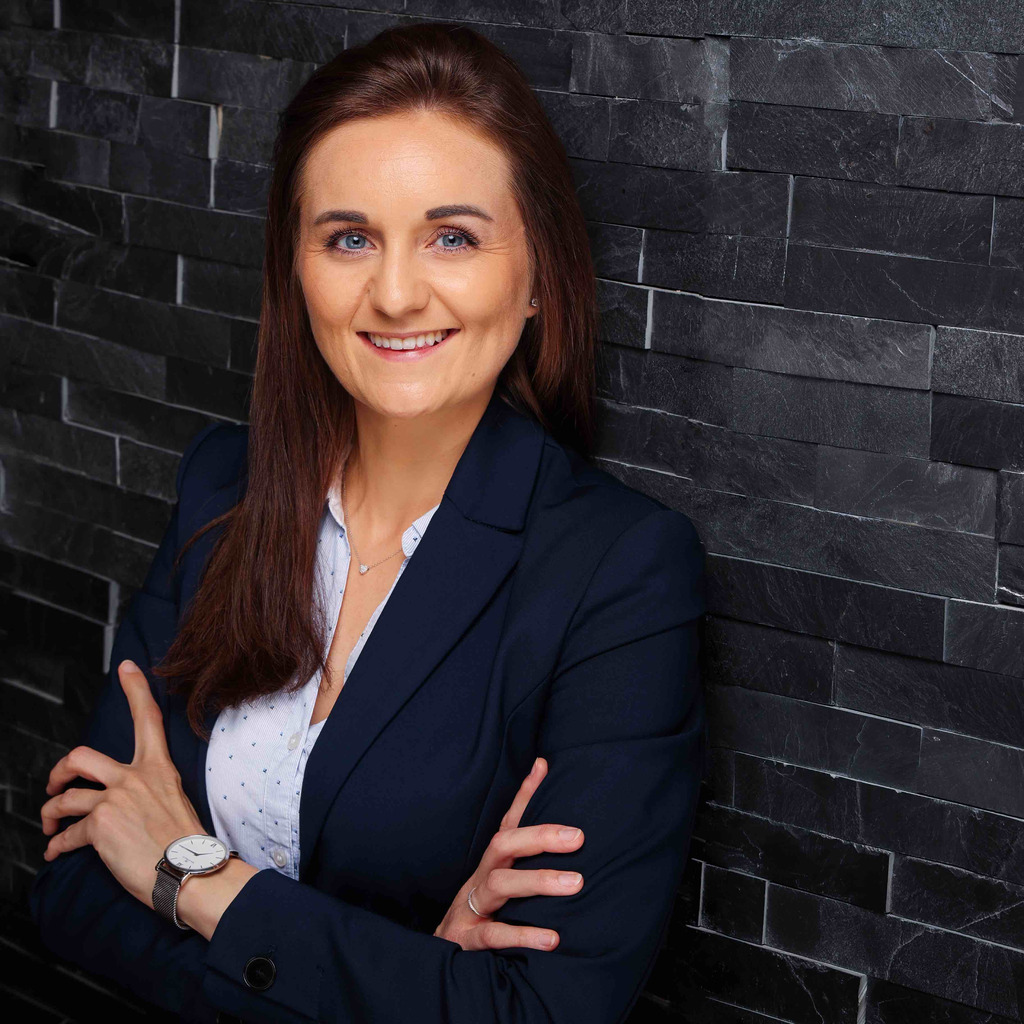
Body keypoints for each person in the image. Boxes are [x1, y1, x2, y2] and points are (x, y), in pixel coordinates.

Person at [29, 22, 709, 1024]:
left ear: (536, 277)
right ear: (295, 270)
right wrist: (406, 974)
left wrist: (191, 876)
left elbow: (536, 1012)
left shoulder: (620, 574)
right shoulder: (224, 489)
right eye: (349, 238)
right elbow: (74, 891)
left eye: (453, 237)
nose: (393, 294)